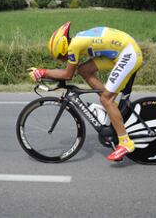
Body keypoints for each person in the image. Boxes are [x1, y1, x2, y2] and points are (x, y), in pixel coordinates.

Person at [28, 21, 143, 161]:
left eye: (60, 56)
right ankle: (110, 107)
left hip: (127, 53)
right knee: (84, 70)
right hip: (119, 51)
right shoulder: (77, 41)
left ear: (64, 47)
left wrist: (42, 72)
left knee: (105, 99)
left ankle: (125, 142)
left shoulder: (74, 46)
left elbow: (67, 75)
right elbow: (75, 71)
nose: (62, 60)